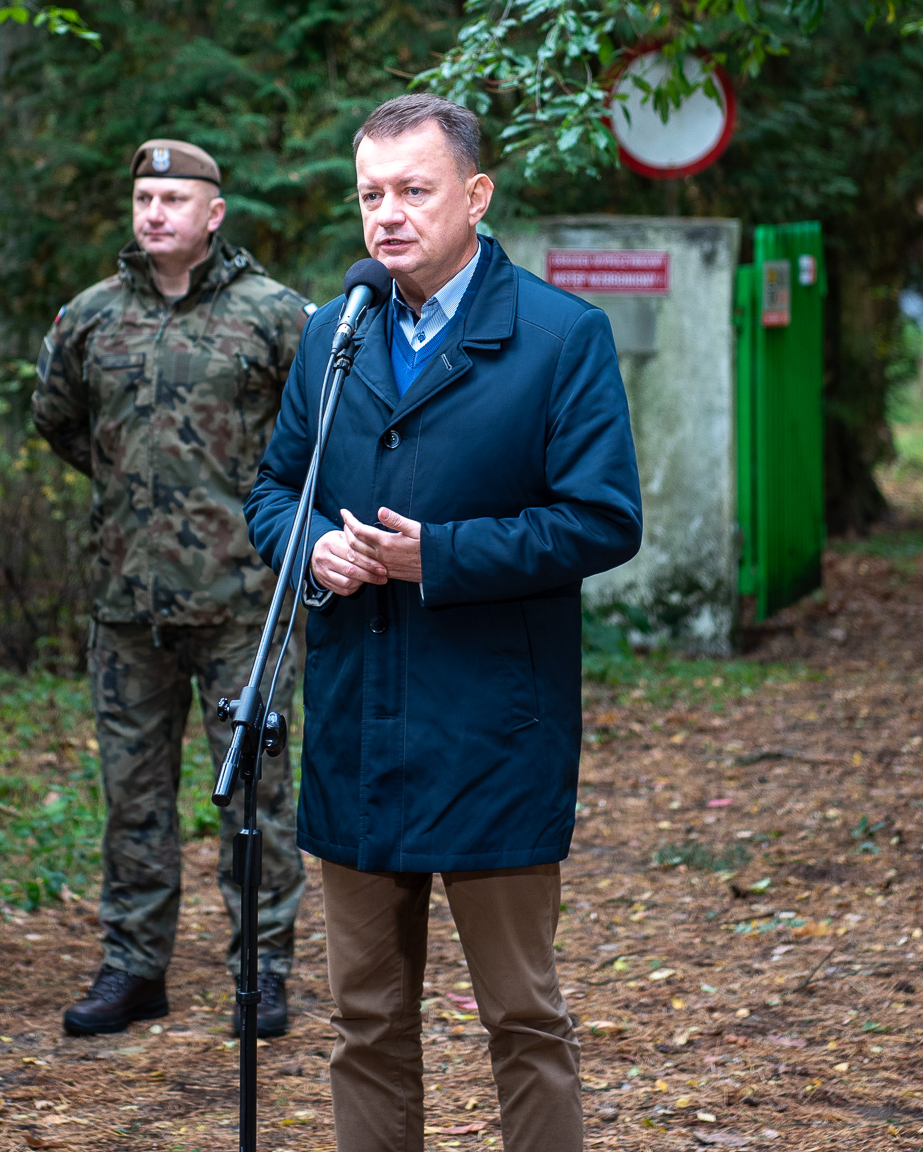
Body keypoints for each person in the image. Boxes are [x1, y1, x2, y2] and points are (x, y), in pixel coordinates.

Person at [245, 93, 643, 1152]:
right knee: (364, 1021)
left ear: (474, 196)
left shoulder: (560, 337)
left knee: (522, 1018)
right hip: (354, 725)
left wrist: (442, 557)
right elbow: (272, 490)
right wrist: (307, 548)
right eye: (369, 194)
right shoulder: (331, 334)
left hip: (491, 729)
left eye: (412, 191)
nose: (386, 215)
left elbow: (601, 519)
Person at [32, 139, 313, 1038]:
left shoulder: (276, 317)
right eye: (144, 196)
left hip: (245, 609)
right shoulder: (91, 318)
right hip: (128, 611)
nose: (155, 213)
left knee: (256, 798)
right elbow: (61, 422)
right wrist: (139, 504)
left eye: (174, 198)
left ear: (213, 213)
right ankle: (133, 968)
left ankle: (263, 972)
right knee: (134, 800)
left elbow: (321, 435)